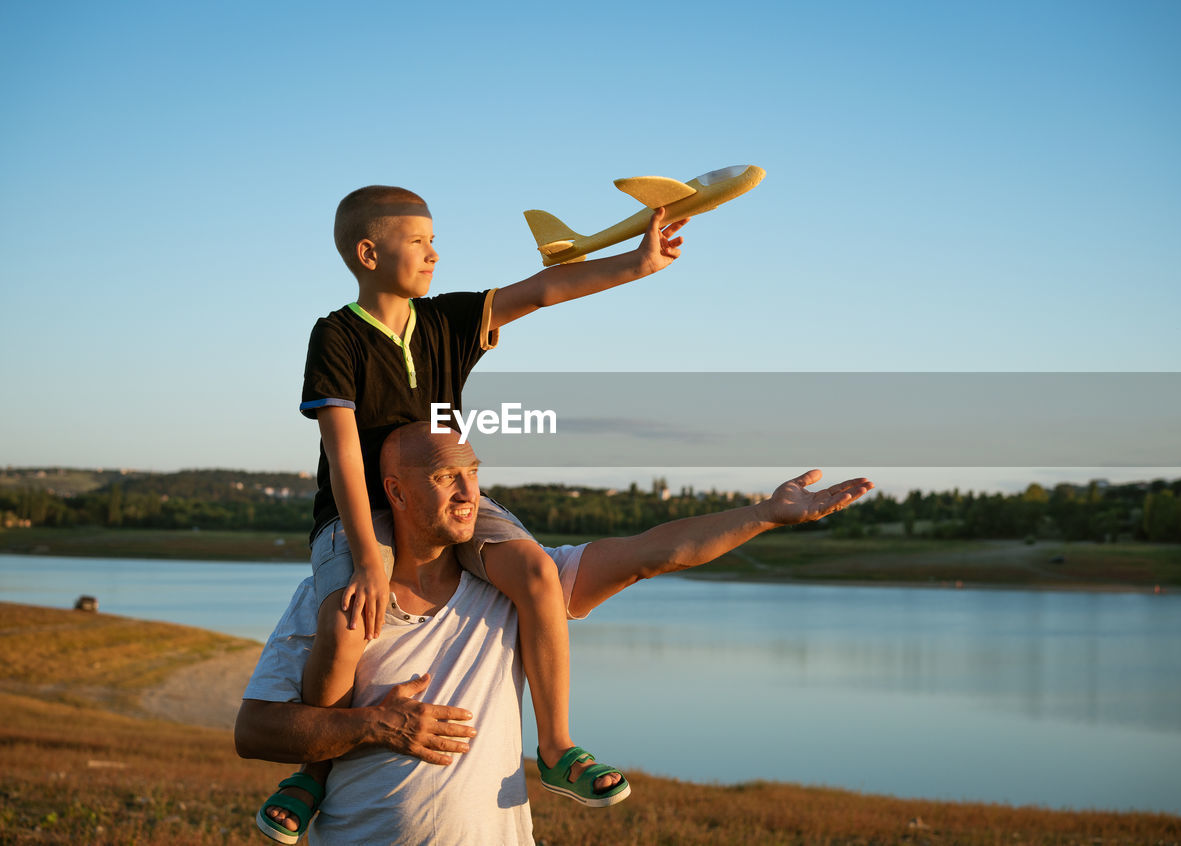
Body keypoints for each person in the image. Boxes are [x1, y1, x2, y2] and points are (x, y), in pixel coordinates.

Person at [257, 185, 690, 842]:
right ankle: (315, 770)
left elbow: (542, 290)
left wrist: (637, 263)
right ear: (369, 253)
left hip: (450, 501)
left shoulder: (444, 321)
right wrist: (370, 561)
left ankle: (557, 749)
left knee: (538, 575)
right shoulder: (337, 335)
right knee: (346, 614)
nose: (435, 253)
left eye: (434, 240)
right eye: (419, 242)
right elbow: (343, 451)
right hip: (362, 513)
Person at [236, 422, 873, 845]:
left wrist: (765, 514)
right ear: (395, 493)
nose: (467, 493)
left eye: (473, 474)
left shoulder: (513, 588)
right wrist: (374, 725)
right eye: (442, 478)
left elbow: (656, 552)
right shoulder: (335, 600)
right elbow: (255, 730)